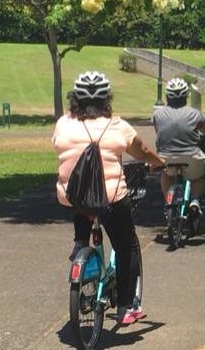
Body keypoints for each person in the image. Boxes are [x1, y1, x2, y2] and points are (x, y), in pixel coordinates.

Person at [53, 71, 166, 325]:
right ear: (107, 98)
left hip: (73, 198)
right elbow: (142, 151)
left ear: (75, 99)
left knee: (82, 203)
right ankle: (126, 307)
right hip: (112, 199)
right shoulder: (117, 126)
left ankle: (80, 243)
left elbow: (58, 145)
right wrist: (159, 163)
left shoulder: (63, 124)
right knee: (127, 246)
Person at [152, 77, 205, 218]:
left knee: (166, 174)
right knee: (198, 178)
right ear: (186, 96)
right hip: (191, 155)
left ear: (167, 96)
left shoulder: (157, 115)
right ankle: (195, 201)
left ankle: (168, 202)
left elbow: (159, 133)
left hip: (166, 156)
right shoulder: (195, 114)